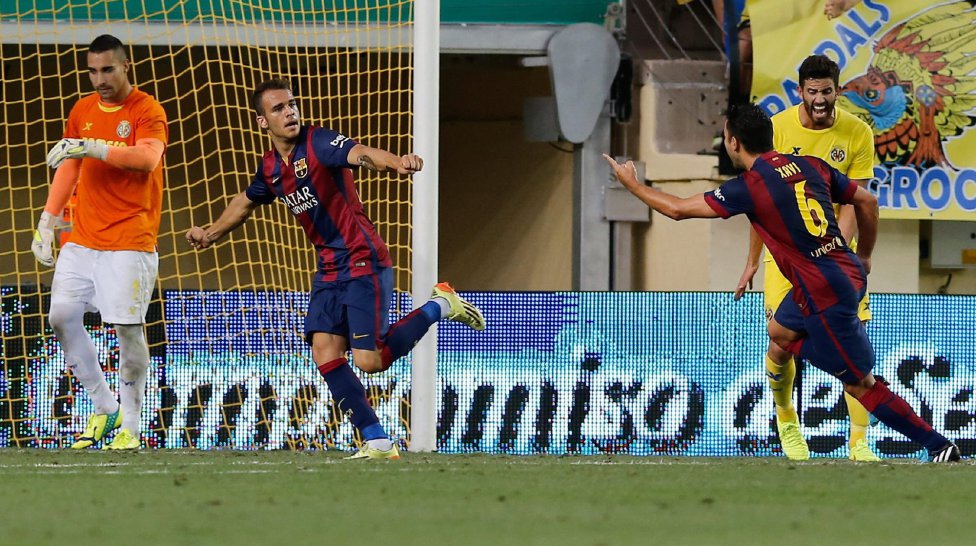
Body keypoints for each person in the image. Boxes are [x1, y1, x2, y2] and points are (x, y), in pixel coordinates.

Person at [604, 103, 960, 463]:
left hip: (824, 292)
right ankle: (819, 379)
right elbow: (866, 200)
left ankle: (937, 445)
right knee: (779, 332)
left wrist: (632, 185)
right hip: (838, 273)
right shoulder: (809, 164)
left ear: (733, 142)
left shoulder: (750, 186)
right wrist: (864, 255)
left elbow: (678, 209)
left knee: (859, 384)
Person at [185, 78, 486, 460]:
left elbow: (361, 154)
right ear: (262, 121)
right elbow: (244, 202)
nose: (289, 112)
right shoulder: (272, 167)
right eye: (278, 108)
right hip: (328, 268)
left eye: (291, 104)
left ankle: (440, 305)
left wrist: (397, 163)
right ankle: (377, 441)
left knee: (369, 361)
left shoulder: (320, 142)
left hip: (363, 259)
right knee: (324, 351)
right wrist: (209, 233)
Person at [735, 54, 879, 461]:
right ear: (801, 91)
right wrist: (750, 262)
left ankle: (858, 443)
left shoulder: (858, 132)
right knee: (782, 343)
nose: (819, 99)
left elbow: (855, 200)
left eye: (826, 91)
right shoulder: (777, 128)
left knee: (854, 345)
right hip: (784, 257)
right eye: (812, 91)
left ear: (838, 90)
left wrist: (838, 250)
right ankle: (787, 422)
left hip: (833, 258)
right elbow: (760, 201)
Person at [33, 34, 168, 450]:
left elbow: (147, 158)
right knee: (61, 316)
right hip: (83, 239)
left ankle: (130, 423)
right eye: (92, 71)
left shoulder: (146, 110)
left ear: (126, 66)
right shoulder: (83, 109)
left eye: (107, 69)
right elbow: (69, 164)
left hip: (130, 239)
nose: (99, 79)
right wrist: (47, 221)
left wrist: (93, 145)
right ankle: (103, 405)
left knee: (127, 330)